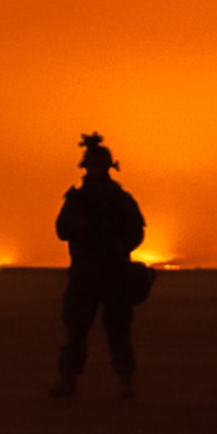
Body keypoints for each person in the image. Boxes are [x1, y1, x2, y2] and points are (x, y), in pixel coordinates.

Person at [51, 132, 147, 399]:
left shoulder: (120, 199)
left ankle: (125, 382)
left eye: (98, 166)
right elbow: (61, 230)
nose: (95, 170)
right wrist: (77, 225)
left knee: (117, 329)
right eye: (92, 165)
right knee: (76, 330)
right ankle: (67, 380)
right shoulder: (76, 200)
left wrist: (119, 246)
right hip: (84, 274)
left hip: (113, 272)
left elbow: (136, 231)